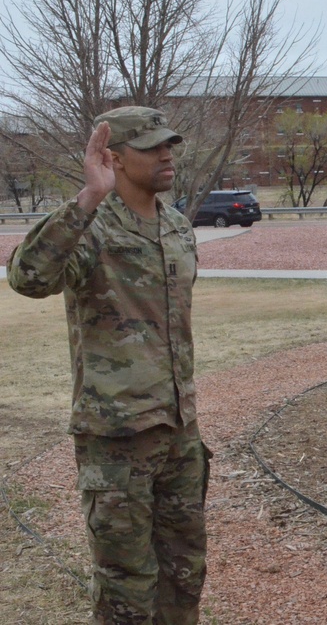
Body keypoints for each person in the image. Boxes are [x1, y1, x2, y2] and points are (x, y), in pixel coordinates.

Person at [7, 106, 210, 623]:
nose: (167, 155)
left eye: (169, 145)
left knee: (185, 572)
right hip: (118, 436)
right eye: (152, 148)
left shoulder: (179, 227)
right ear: (114, 159)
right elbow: (28, 277)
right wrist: (88, 197)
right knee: (126, 586)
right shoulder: (91, 225)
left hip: (178, 430)